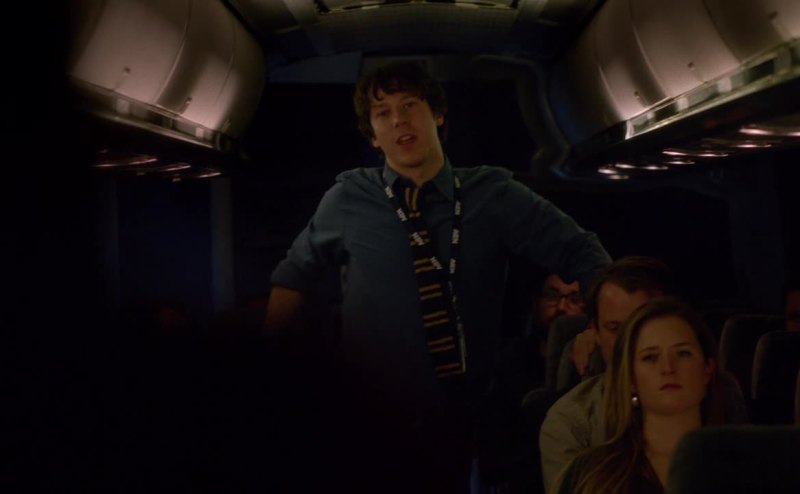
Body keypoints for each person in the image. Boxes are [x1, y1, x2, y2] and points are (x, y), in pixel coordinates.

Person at [264, 60, 611, 491]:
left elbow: (582, 250)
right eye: (383, 113)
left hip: (461, 419)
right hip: (369, 420)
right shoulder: (349, 198)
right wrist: (269, 376)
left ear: (439, 114)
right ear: (372, 136)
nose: (399, 120)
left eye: (410, 104)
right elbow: (293, 276)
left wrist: (600, 327)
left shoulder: (493, 195)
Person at [553, 297, 727, 494]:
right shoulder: (591, 474)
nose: (668, 368)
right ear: (631, 379)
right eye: (650, 357)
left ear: (707, 370)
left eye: (683, 353)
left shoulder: (744, 470)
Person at [540, 256, 677, 492]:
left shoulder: (711, 394)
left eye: (643, 325)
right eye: (615, 329)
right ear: (595, 331)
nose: (629, 341)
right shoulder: (571, 422)